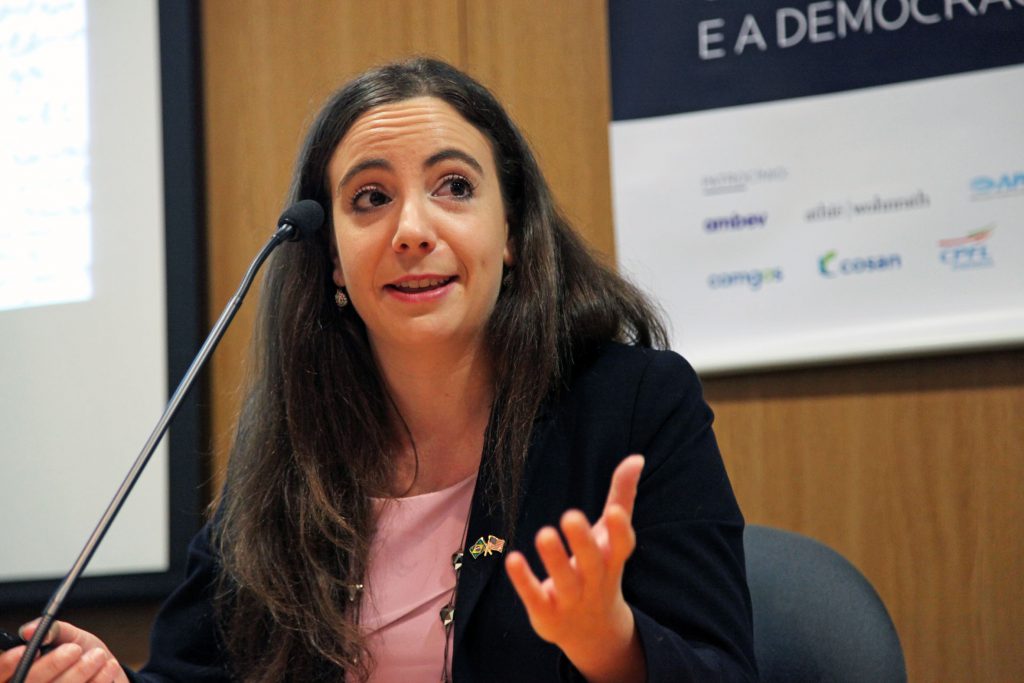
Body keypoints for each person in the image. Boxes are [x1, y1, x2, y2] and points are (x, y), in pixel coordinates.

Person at [1, 58, 757, 683]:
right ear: (332, 258)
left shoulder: (632, 406)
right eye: (370, 198)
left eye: (454, 187)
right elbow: (195, 671)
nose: (412, 230)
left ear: (511, 233)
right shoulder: (296, 441)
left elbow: (721, 669)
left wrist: (609, 642)